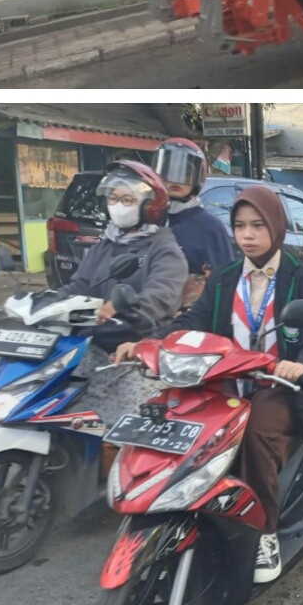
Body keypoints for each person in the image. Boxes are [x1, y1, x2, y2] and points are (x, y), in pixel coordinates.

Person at [114, 186, 303, 585]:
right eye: (239, 226)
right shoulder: (226, 277)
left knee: (256, 435)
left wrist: (299, 365)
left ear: (277, 227)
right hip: (223, 384)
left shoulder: (300, 276)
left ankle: (265, 532)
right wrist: (149, 344)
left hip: (277, 387)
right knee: (176, 423)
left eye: (257, 225)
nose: (247, 235)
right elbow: (191, 322)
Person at [54, 162, 189, 426]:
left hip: (136, 354)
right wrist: (46, 302)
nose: (118, 205)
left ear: (149, 206)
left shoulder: (164, 250)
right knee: (54, 407)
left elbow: (159, 297)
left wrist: (123, 306)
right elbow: (79, 285)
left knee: (128, 427)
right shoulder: (105, 246)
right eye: (114, 198)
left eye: (128, 199)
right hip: (91, 348)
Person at [151, 138, 234, 307]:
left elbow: (225, 284)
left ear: (198, 178)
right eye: (168, 171)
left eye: (184, 173)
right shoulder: (148, 220)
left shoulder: (210, 228)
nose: (175, 180)